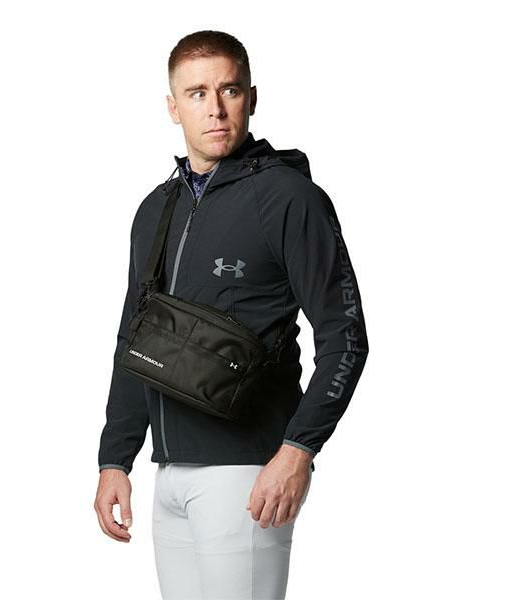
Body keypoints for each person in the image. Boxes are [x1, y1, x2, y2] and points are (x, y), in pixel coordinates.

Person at [94, 30, 369, 600]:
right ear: (173, 107)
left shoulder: (289, 198)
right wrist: (115, 458)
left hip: (246, 471)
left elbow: (345, 335)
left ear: (252, 98)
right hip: (169, 474)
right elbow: (133, 339)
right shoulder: (155, 208)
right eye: (196, 93)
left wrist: (298, 450)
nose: (215, 109)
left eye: (230, 90)